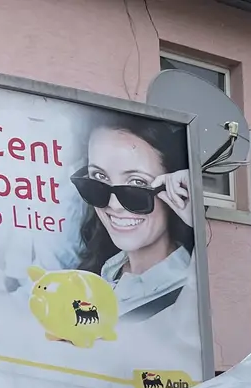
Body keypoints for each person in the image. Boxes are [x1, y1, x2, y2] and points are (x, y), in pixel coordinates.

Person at [71, 116, 196, 322]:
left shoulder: (191, 291)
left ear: (175, 188)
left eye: (137, 183)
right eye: (99, 178)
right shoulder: (99, 274)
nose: (114, 205)